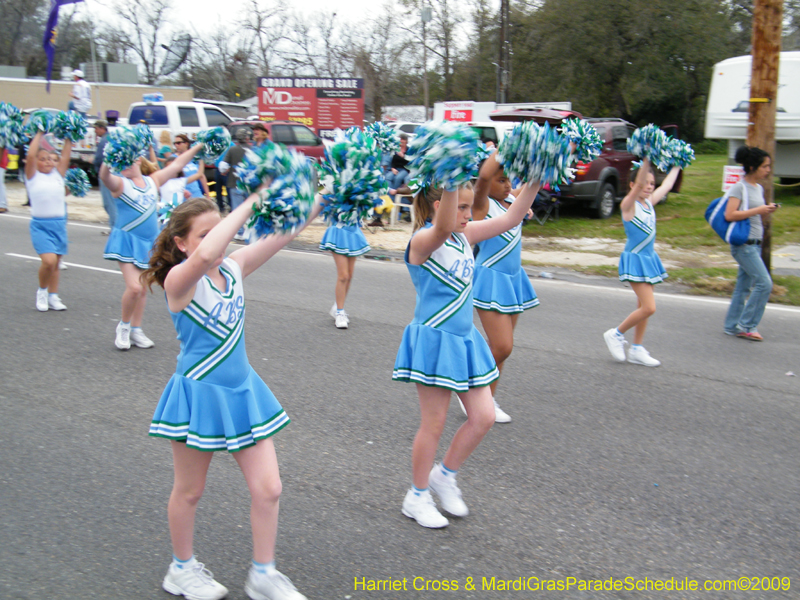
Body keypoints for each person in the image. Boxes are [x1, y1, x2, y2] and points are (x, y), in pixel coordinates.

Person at [143, 194, 322, 600]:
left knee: (269, 488)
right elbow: (206, 255)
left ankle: (263, 573)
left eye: (220, 228)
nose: (217, 240)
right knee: (189, 490)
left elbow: (283, 234)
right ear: (182, 243)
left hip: (242, 391)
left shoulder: (235, 268)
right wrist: (255, 199)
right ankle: (181, 569)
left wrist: (322, 198)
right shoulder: (179, 281)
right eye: (205, 233)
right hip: (199, 394)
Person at [393, 179, 540, 528]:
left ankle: (444, 475)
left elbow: (511, 217)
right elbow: (443, 225)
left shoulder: (466, 236)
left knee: (484, 416)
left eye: (469, 207)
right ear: (436, 205)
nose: (467, 214)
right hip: (434, 339)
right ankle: (416, 495)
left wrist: (536, 175)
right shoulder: (423, 241)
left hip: (464, 339)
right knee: (435, 421)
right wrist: (449, 175)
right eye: (460, 206)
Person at [99, 138, 204, 351]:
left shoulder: (152, 181)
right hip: (126, 241)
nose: (126, 166)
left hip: (148, 242)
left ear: (138, 160)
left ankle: (136, 329)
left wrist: (200, 145)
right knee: (135, 287)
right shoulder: (120, 184)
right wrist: (110, 156)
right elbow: (104, 176)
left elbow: (176, 165)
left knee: (143, 290)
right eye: (122, 162)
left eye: (129, 160)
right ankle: (124, 326)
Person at [467, 154, 539, 422]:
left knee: (500, 349)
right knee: (502, 347)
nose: (508, 185)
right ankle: (475, 394)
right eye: (502, 180)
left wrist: (548, 158)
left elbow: (532, 185)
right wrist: (503, 149)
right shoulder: (482, 205)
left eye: (509, 179)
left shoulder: (510, 201)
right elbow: (485, 177)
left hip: (513, 279)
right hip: (491, 278)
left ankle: (485, 400)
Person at [603, 158, 681, 367]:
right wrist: (646, 159)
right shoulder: (628, 206)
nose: (648, 187)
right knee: (649, 307)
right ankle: (616, 333)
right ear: (633, 184)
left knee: (642, 306)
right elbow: (639, 184)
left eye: (651, 184)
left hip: (648, 259)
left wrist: (678, 163)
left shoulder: (649, 203)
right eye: (644, 183)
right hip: (635, 259)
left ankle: (636, 349)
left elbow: (668, 185)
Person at [723, 146, 779, 341]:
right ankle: (747, 326)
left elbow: (754, 212)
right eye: (765, 166)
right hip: (744, 245)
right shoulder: (739, 187)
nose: (768, 170)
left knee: (743, 288)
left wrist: (765, 210)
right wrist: (759, 210)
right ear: (753, 167)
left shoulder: (759, 188)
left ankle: (731, 326)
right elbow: (729, 215)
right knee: (764, 283)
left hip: (754, 243)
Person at [25, 131, 73, 311]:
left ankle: (53, 296)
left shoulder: (58, 175)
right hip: (40, 225)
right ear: (36, 162)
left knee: (56, 264)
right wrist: (38, 133)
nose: (48, 162)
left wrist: (69, 135)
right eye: (43, 159)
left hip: (59, 224)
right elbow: (30, 155)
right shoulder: (32, 177)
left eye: (52, 159)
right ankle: (42, 291)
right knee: (49, 261)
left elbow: (66, 156)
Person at [319, 206, 371, 330]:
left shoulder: (362, 189)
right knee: (343, 275)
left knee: (349, 275)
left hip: (353, 232)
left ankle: (337, 307)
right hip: (338, 231)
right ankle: (339, 312)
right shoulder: (336, 188)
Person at [219, 129, 251, 240]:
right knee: (251, 209)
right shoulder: (253, 150)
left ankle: (240, 232)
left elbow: (223, 166)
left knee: (237, 210)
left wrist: (225, 171)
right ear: (247, 138)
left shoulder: (232, 150)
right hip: (250, 185)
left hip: (234, 183)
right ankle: (251, 230)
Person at [93, 120, 115, 233]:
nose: (95, 131)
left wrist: (95, 167)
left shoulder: (104, 141)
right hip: (113, 173)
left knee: (108, 203)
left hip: (106, 174)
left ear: (102, 128)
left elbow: (99, 158)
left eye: (96, 129)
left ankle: (114, 227)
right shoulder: (110, 138)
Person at [173, 134, 207, 198]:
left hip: (197, 195)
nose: (176, 145)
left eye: (178, 143)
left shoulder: (194, 157)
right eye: (175, 143)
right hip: (184, 197)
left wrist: (208, 195)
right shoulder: (173, 159)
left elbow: (201, 175)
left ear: (186, 144)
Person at [0, 145, 8, 213]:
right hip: (2, 162)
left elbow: (1, 147)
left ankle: (2, 205)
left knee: (0, 184)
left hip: (1, 163)